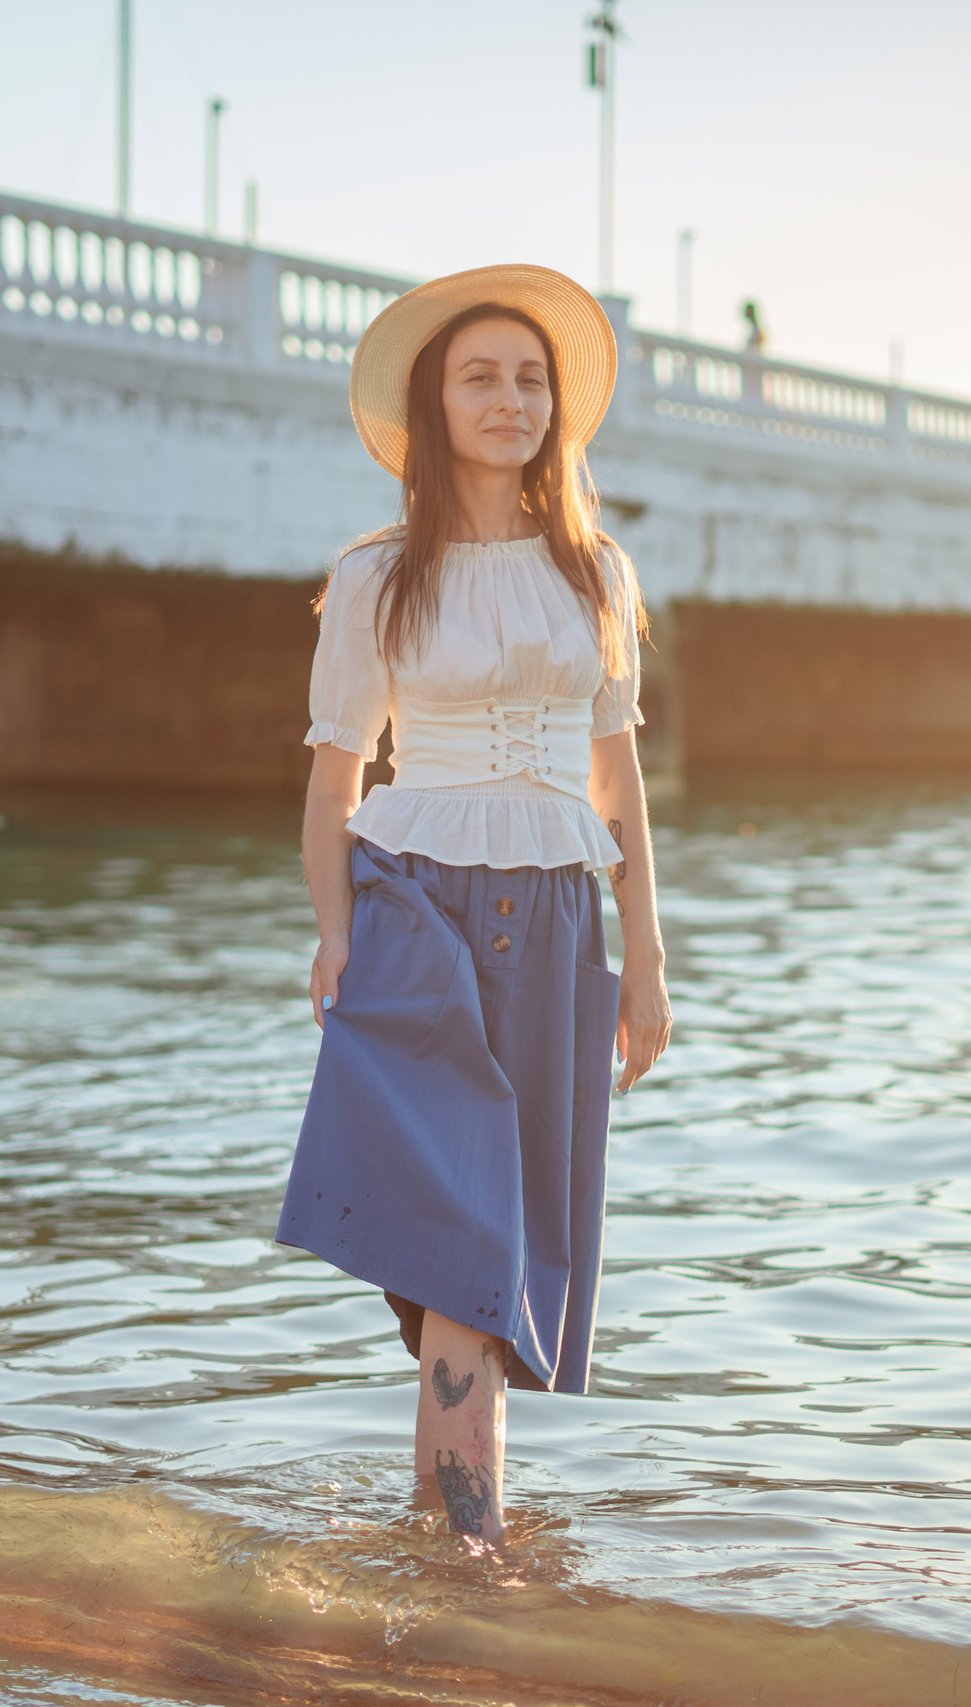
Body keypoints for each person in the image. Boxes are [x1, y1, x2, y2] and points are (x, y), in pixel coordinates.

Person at [276, 265, 673, 1547]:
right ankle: (468, 1553)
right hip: (419, 909)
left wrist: (650, 960)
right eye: (480, 378)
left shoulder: (596, 573)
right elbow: (335, 781)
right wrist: (337, 937)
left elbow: (618, 781)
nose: (510, 400)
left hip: (560, 917)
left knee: (501, 1247)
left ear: (556, 407)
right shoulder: (377, 574)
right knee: (463, 1235)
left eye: (530, 378)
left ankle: (454, 1539)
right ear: (433, 406)